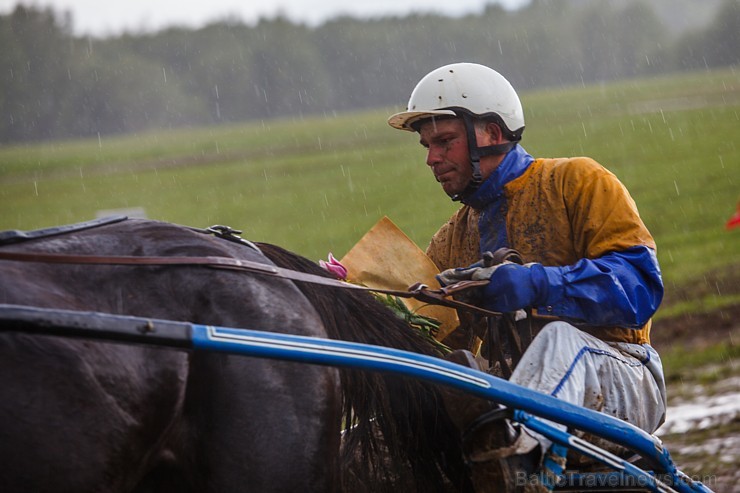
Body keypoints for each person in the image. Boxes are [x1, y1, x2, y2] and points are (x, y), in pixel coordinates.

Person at [387, 62, 667, 490]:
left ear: (493, 134)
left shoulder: (577, 181)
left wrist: (539, 284)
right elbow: (436, 344)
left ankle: (516, 464)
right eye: (427, 146)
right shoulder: (448, 241)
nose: (431, 158)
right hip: (517, 397)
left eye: (444, 141)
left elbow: (640, 287)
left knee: (558, 339)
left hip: (622, 380)